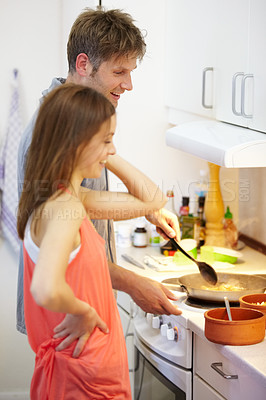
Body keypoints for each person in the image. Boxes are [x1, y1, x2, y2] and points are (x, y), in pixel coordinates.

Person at [17, 8, 181, 352]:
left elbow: (146, 199)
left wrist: (144, 209)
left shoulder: (78, 126)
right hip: (68, 322)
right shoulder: (53, 139)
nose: (129, 84)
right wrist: (133, 283)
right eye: (119, 71)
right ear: (83, 64)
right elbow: (60, 264)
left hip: (83, 312)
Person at [17, 83, 171, 399]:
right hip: (83, 380)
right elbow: (45, 288)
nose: (112, 150)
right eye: (106, 141)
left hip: (87, 373)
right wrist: (82, 312)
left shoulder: (69, 197)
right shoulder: (67, 208)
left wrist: (101, 148)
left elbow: (153, 199)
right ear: (76, 143)